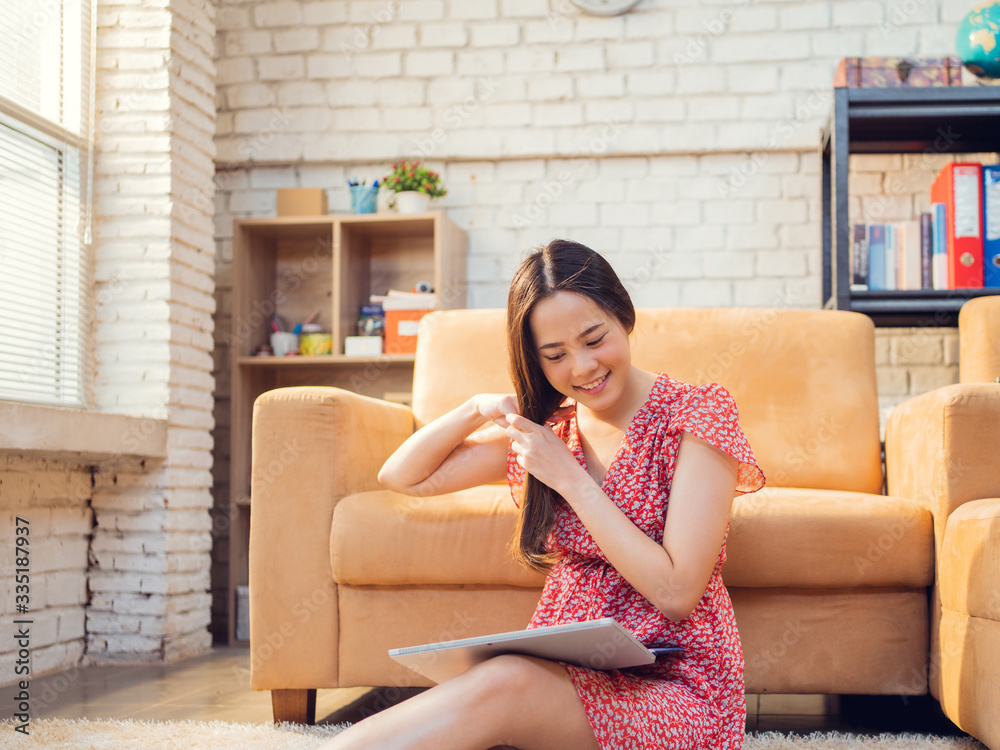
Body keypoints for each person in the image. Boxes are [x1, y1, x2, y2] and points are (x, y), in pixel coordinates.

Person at [319, 239, 766, 750]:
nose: (581, 368)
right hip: (566, 676)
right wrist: (473, 408)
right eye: (555, 355)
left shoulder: (697, 414)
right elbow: (402, 476)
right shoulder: (550, 434)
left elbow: (676, 593)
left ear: (624, 317)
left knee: (504, 685)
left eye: (594, 339)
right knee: (498, 680)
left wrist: (571, 480)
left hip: (675, 688)